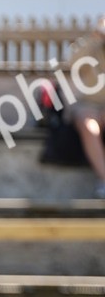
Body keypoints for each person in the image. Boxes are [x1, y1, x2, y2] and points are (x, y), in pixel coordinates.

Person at [67, 14, 105, 198]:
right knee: (90, 128)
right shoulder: (91, 45)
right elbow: (74, 62)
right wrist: (95, 38)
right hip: (88, 105)